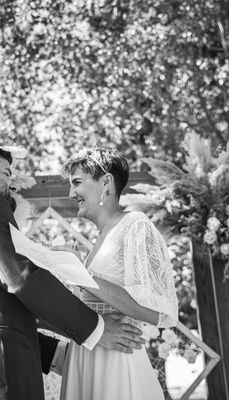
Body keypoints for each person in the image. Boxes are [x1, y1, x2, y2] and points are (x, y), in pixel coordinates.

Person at [0, 140, 145, 400]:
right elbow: (20, 278)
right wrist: (95, 328)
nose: (12, 185)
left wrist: (55, 354)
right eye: (6, 173)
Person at [57, 148, 179, 400]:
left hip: (116, 364)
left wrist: (78, 272)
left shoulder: (136, 226)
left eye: (77, 183)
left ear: (106, 182)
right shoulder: (101, 237)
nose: (71, 194)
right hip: (86, 358)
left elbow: (159, 313)